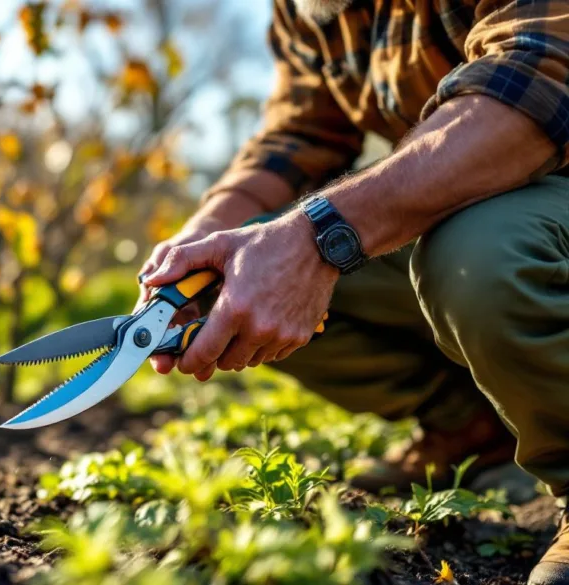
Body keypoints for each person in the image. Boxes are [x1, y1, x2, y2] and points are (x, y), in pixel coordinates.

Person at [136, 1, 569, 582]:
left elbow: (537, 85)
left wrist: (318, 237)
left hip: (541, 174)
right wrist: (206, 238)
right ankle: (474, 429)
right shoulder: (311, 9)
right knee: (237, 279)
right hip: (479, 193)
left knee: (479, 254)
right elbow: (300, 132)